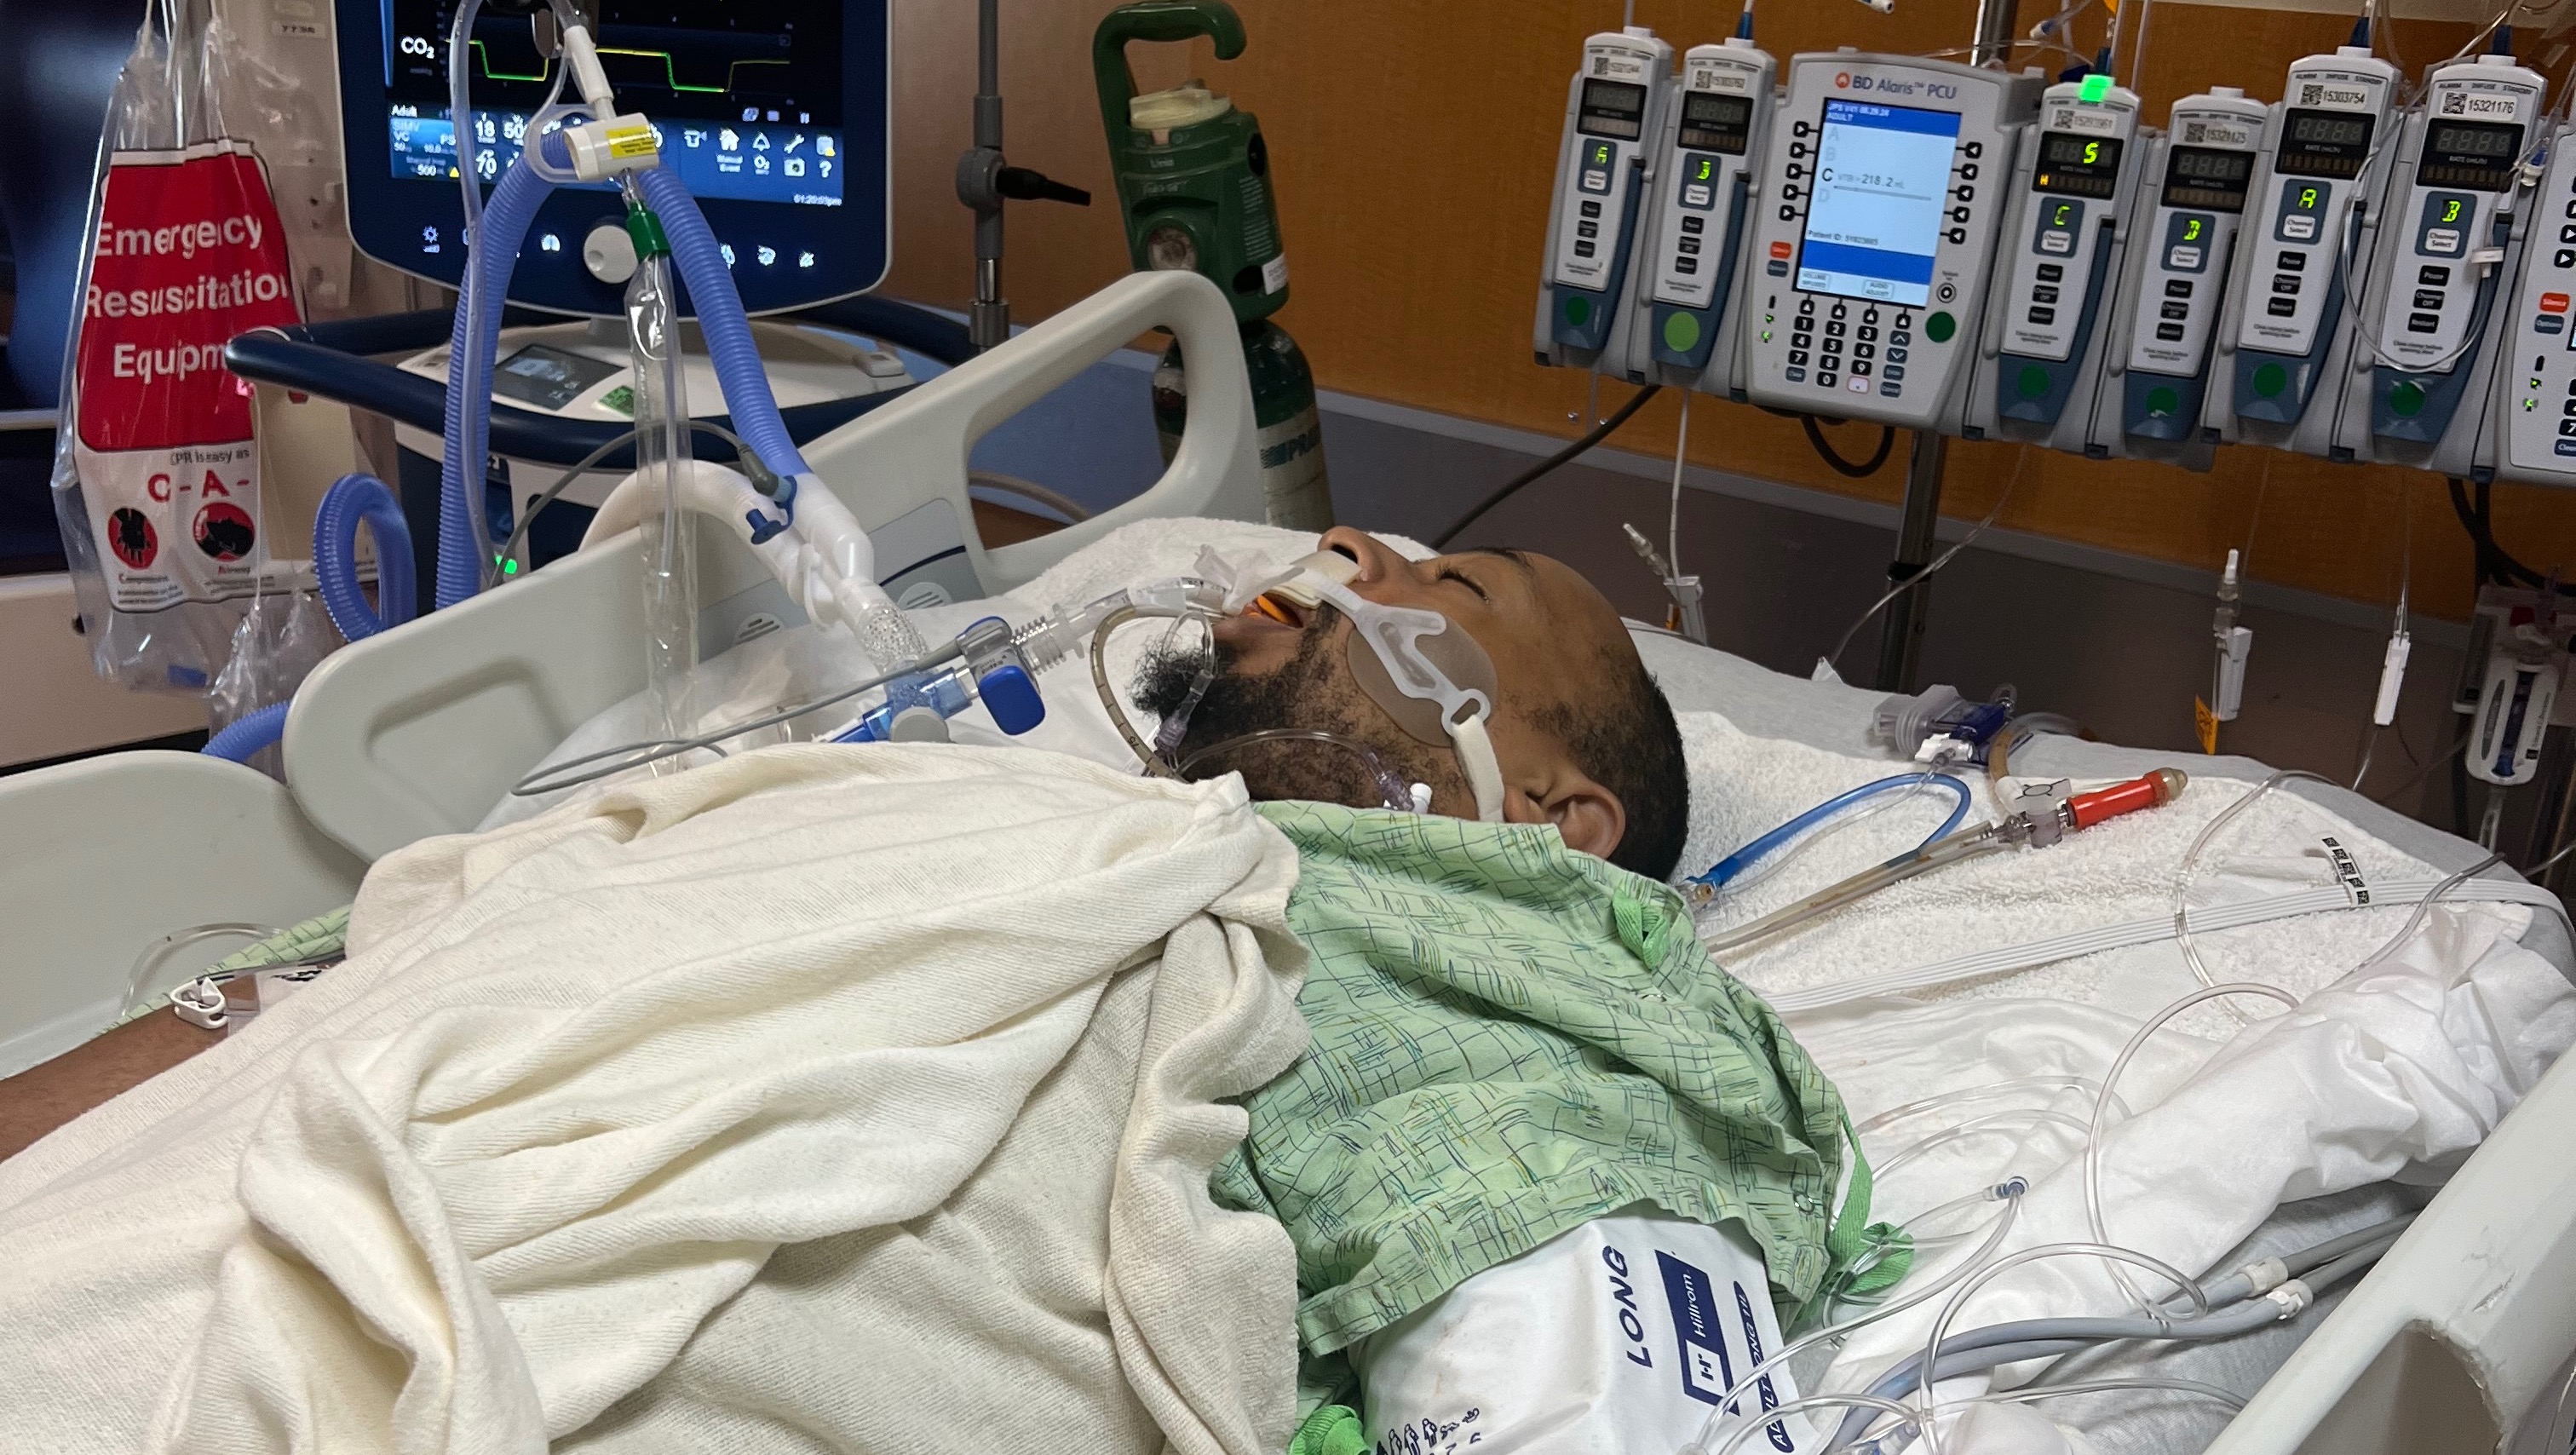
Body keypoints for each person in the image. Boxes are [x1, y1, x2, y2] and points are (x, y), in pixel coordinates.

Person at [0, 526, 1866, 1455]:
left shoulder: (1486, 953)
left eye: (1447, 580)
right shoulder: (962, 806)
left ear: (1551, 807)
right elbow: (355, 977)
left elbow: (1578, 1368)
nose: (1341, 559)